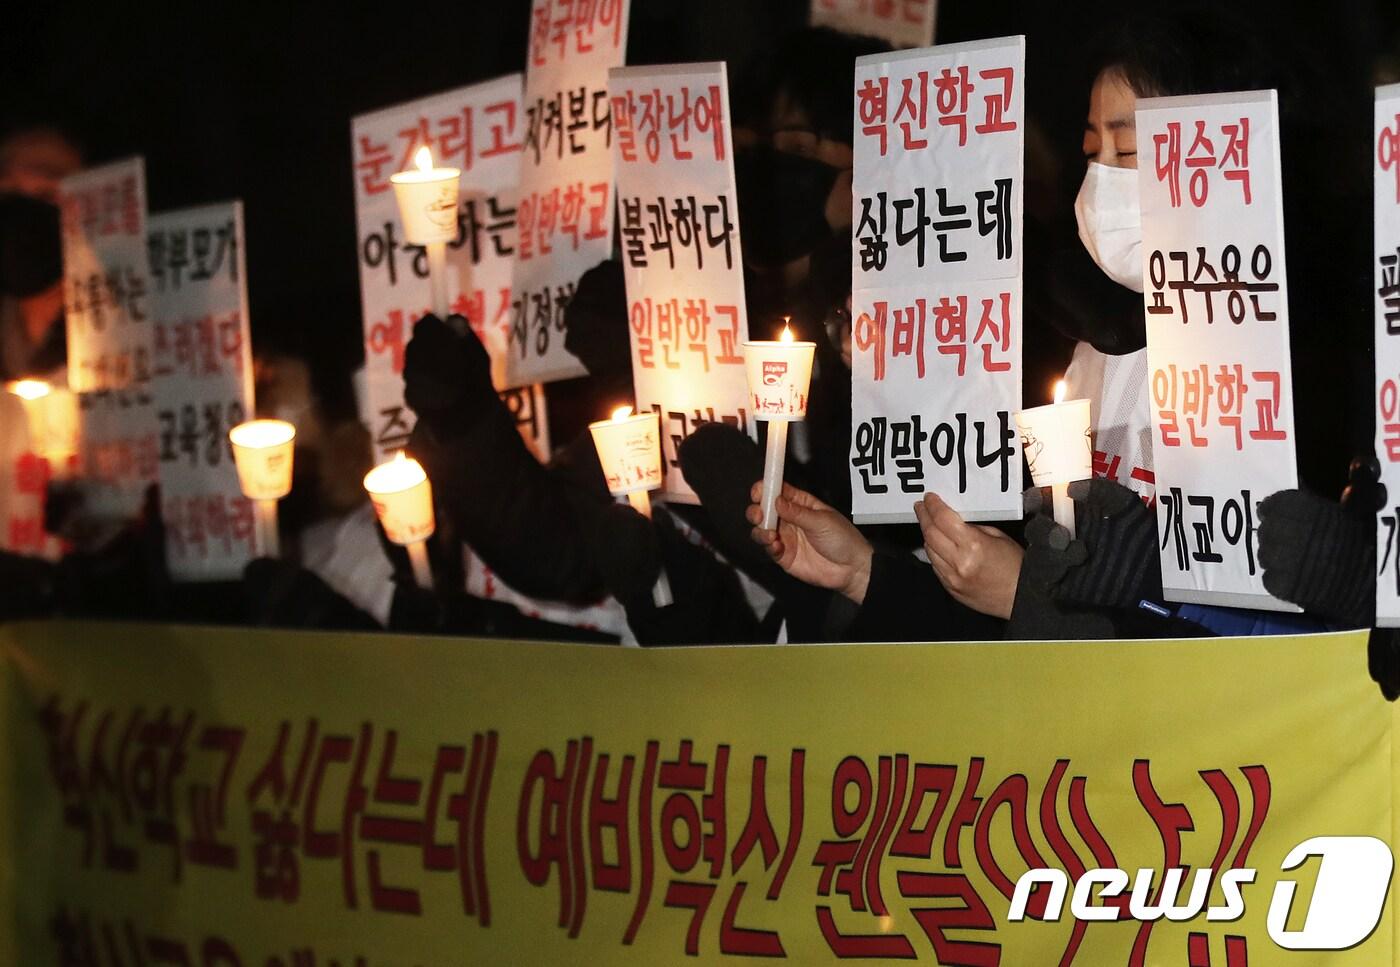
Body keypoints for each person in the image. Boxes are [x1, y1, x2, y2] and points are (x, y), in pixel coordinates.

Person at [750, 7, 1362, 642]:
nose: (1103, 182)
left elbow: (1263, 647)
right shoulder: (1098, 354)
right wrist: (866, 574)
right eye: (1093, 150)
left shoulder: (1294, 365)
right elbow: (1023, 618)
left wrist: (1031, 594)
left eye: (1129, 150)